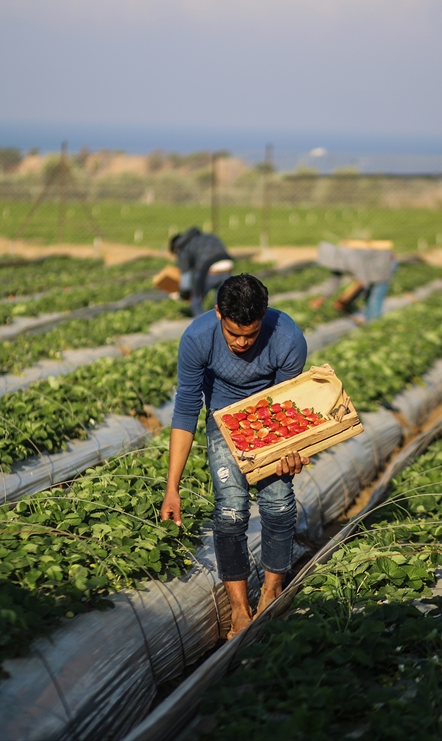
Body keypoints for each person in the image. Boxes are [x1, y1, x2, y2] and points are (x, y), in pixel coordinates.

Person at [160, 273, 309, 639]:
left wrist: (293, 450)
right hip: (223, 419)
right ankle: (240, 609)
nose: (242, 342)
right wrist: (172, 487)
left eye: (251, 334)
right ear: (217, 314)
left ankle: (272, 589)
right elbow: (185, 411)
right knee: (230, 510)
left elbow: (288, 407)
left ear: (264, 318)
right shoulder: (197, 339)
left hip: (271, 415)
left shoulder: (288, 339)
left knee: (277, 502)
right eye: (233, 334)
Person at [311, 240, 396, 322]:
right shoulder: (339, 259)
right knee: (368, 298)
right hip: (370, 266)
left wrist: (345, 300)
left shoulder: (352, 259)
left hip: (383, 263)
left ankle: (373, 324)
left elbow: (363, 282)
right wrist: (323, 297)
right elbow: (335, 280)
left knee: (375, 296)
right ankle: (369, 321)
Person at [169, 227, 234, 317]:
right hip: (228, 264)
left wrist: (183, 294)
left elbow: (186, 274)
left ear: (175, 249)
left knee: (196, 298)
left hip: (210, 267)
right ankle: (217, 323)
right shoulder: (206, 237)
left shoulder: (182, 247)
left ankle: (201, 324)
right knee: (220, 301)